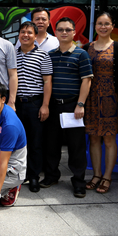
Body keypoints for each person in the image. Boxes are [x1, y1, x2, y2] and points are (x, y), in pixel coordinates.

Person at [42, 17, 93, 198]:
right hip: (54, 106)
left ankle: (79, 182)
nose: (64, 32)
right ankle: (51, 176)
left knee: (76, 146)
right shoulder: (50, 55)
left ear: (74, 32)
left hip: (73, 106)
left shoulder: (81, 54)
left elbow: (86, 81)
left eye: (68, 30)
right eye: (61, 29)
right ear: (55, 32)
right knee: (51, 144)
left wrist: (80, 104)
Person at [82, 13, 118, 194]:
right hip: (91, 98)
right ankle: (96, 174)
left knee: (109, 139)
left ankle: (107, 176)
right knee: (93, 138)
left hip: (111, 99)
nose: (103, 27)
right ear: (95, 26)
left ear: (112, 26)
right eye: (100, 23)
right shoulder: (87, 47)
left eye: (106, 24)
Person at [15, 21, 52, 193]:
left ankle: (34, 176)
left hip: (35, 103)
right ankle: (19, 175)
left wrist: (45, 105)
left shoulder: (43, 55)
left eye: (29, 32)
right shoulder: (12, 54)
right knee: (18, 142)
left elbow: (47, 81)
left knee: (36, 142)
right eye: (23, 32)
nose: (26, 35)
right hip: (16, 104)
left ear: (35, 36)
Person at [0, 80, 27, 213]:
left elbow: (4, 163)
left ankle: (9, 188)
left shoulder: (9, 126)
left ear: (3, 99)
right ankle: (0, 186)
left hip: (11, 169)